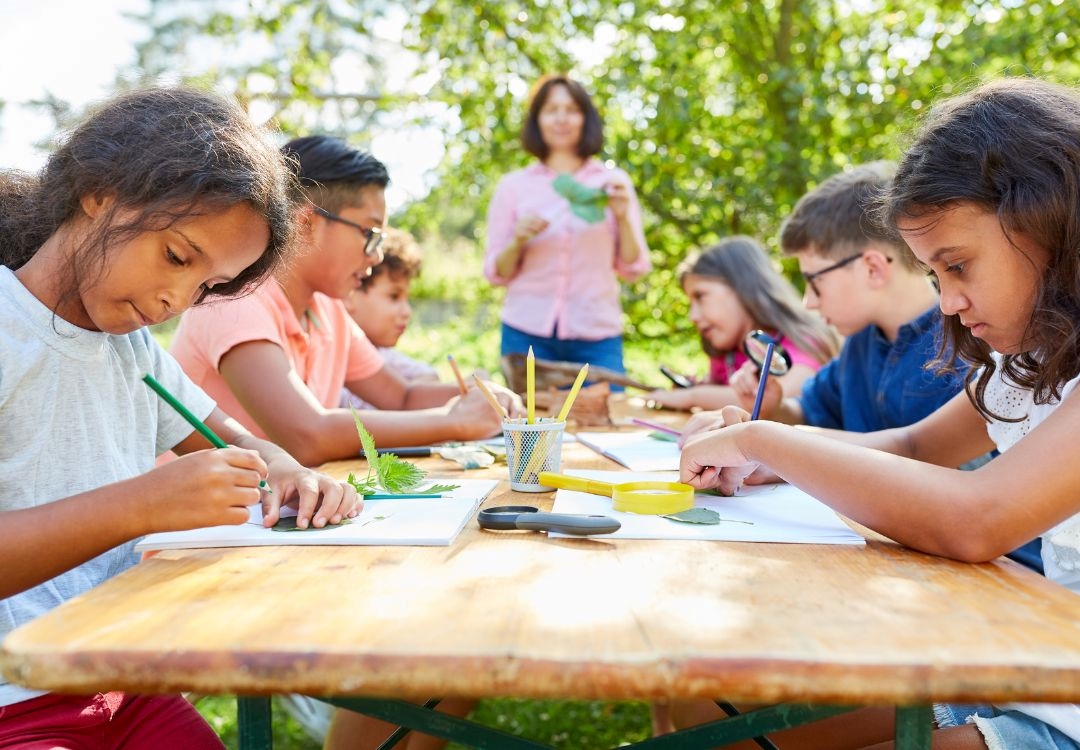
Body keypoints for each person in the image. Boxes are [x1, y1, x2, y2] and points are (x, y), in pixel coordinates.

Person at [676, 77, 1080, 749]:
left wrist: (766, 440)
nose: (948, 303)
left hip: (1060, 702)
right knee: (712, 716)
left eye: (958, 266)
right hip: (1042, 671)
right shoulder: (1030, 364)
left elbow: (977, 518)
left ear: (1049, 224)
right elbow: (920, 447)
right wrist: (763, 461)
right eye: (934, 277)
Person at [0, 87, 358, 749]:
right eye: (176, 256)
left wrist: (282, 468)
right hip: (13, 697)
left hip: (121, 683)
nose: (175, 300)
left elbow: (236, 439)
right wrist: (140, 506)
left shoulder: (132, 350)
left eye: (205, 287)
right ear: (99, 192)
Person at [170, 135, 522, 466]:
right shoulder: (234, 300)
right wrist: (452, 422)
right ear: (306, 223)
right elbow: (306, 436)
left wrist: (486, 400)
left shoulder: (327, 311)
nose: (378, 256)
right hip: (198, 521)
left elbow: (400, 397)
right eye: (370, 235)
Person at [484, 74, 651, 381]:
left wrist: (624, 217)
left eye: (572, 109)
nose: (561, 118)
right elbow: (496, 273)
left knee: (605, 426)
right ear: (538, 120)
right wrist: (517, 240)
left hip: (596, 336)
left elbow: (633, 267)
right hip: (526, 334)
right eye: (551, 110)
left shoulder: (612, 183)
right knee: (529, 429)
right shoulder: (513, 187)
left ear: (585, 119)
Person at [646, 236, 840, 411]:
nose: (693, 316)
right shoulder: (727, 352)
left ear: (743, 288)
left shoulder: (800, 341)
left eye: (701, 296)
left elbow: (784, 396)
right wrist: (700, 388)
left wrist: (692, 397)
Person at [340, 226, 439, 410]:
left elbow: (429, 375)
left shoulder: (383, 354)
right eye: (394, 296)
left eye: (407, 299)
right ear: (351, 292)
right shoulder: (334, 350)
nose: (407, 311)